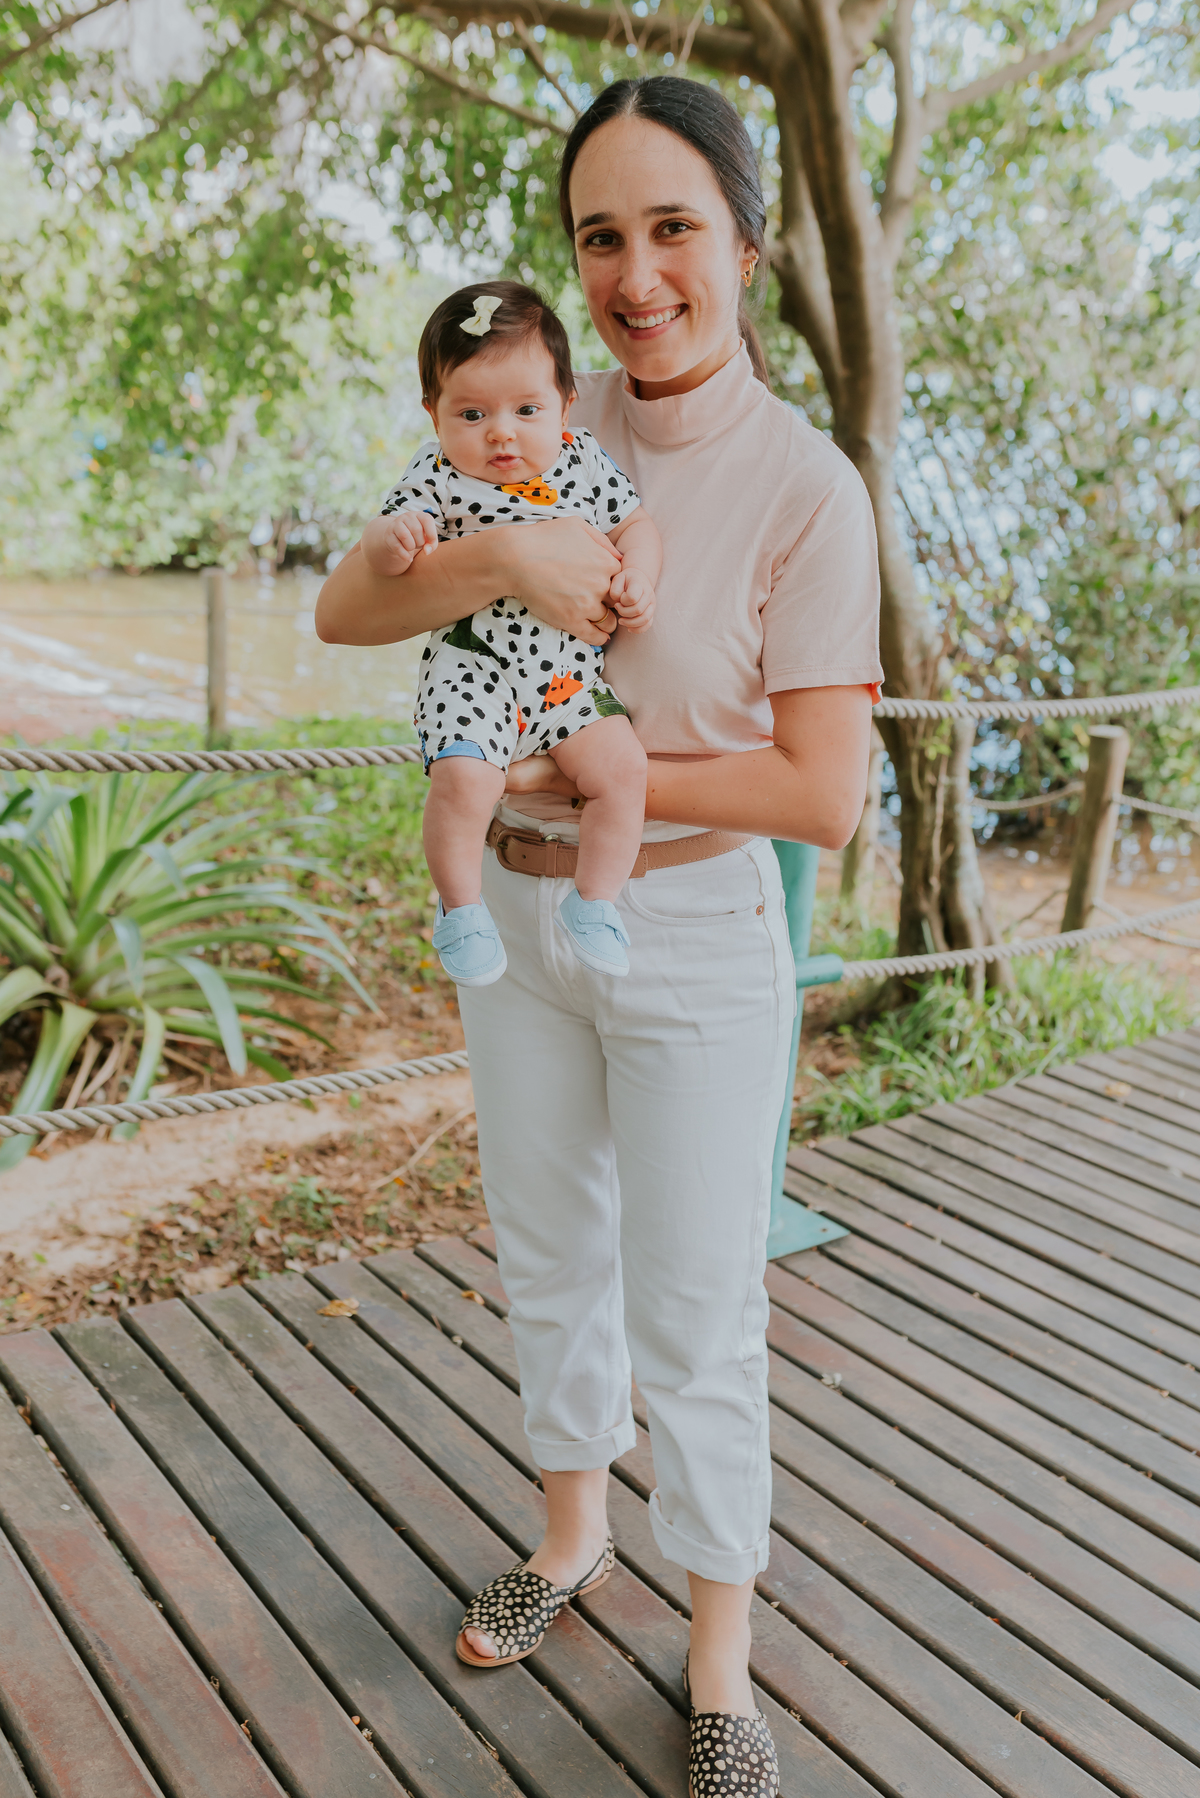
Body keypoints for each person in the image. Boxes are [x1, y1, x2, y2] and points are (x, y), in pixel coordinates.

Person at [318, 73, 882, 1798]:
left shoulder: (808, 486)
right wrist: (516, 568)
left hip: (696, 926)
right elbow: (347, 606)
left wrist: (601, 787)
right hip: (533, 937)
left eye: (674, 229)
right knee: (548, 1243)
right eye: (602, 236)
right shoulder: (534, 420)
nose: (640, 274)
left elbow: (823, 792)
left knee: (700, 1303)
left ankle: (718, 1648)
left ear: (744, 242)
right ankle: (572, 1538)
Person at [362, 281, 662, 985]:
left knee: (624, 772)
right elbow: (376, 553)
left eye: (527, 409)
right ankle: (461, 909)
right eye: (472, 412)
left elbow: (636, 525)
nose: (501, 431)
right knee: (465, 778)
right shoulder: (435, 476)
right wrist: (394, 540)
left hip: (566, 677)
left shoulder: (583, 460)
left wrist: (639, 577)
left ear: (565, 404)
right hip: (475, 672)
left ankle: (595, 902)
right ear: (433, 414)